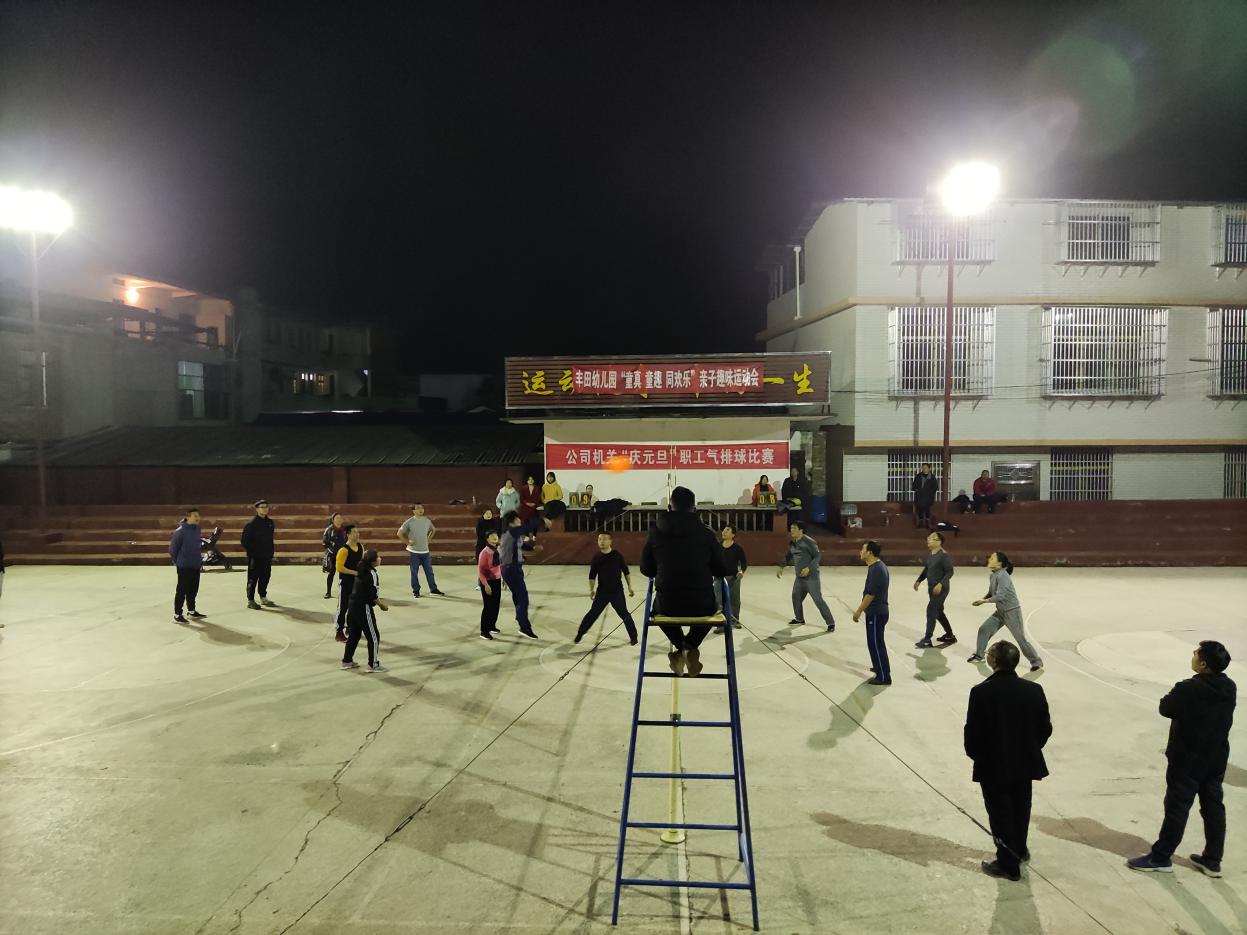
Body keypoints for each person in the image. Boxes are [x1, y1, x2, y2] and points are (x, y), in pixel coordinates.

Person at [1128, 641, 1236, 877]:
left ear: (1203, 664)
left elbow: (1165, 708)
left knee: (1177, 808)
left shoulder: (1188, 688)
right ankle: (1213, 859)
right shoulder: (1229, 686)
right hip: (1216, 758)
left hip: (1187, 760)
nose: (1193, 655)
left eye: (1196, 653)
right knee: (1213, 807)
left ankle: (1161, 856)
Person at [964, 641, 1052, 881]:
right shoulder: (1034, 690)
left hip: (993, 765)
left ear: (993, 660)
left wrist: (978, 756)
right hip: (1025, 763)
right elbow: (1045, 728)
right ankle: (1019, 850)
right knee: (1021, 809)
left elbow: (973, 734)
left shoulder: (981, 692)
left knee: (1000, 813)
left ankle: (1008, 864)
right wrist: (1029, 748)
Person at [640, 485, 729, 677]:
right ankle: (689, 647)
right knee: (712, 609)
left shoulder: (655, 532)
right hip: (701, 604)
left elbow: (646, 569)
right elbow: (722, 570)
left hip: (668, 604)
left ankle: (680, 649)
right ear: (694, 509)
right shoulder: (707, 533)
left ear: (669, 508)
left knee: (658, 609)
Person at [967, 552, 1042, 671]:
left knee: (1021, 639)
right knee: (984, 629)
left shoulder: (1003, 575)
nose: (989, 559)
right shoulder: (993, 575)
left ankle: (1036, 661)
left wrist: (985, 601)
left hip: (1012, 612)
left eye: (992, 558)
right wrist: (983, 599)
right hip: (1001, 612)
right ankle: (979, 655)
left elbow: (1000, 596)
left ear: (999, 563)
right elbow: (992, 593)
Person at [575, 532, 638, 645]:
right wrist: (591, 590)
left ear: (610, 541)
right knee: (593, 614)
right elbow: (592, 576)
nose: (602, 542)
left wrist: (630, 586)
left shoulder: (617, 555)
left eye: (604, 539)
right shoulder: (596, 558)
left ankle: (634, 637)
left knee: (624, 614)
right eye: (599, 539)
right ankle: (580, 633)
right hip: (602, 593)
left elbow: (626, 571)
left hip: (617, 592)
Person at [498, 510, 552, 638]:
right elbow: (528, 526)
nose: (520, 521)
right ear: (512, 521)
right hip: (512, 569)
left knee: (517, 595)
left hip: (512, 568)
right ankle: (524, 627)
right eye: (517, 519)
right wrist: (543, 520)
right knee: (523, 598)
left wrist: (533, 548)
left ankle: (519, 617)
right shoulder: (512, 531)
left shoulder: (511, 534)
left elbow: (521, 546)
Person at [777, 522, 836, 631]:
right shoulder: (792, 543)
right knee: (796, 597)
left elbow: (818, 556)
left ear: (801, 530)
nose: (791, 530)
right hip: (799, 578)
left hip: (811, 577)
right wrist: (781, 567)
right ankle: (799, 619)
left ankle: (831, 623)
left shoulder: (809, 541)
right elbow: (788, 555)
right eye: (791, 528)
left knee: (818, 600)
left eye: (794, 528)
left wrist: (809, 568)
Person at [341, 549, 388, 673]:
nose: (380, 558)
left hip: (352, 606)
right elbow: (372, 595)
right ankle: (373, 664)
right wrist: (381, 605)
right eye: (378, 557)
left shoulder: (361, 570)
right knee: (374, 636)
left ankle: (347, 661)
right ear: (373, 561)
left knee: (354, 634)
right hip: (363, 607)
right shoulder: (371, 573)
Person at [851, 541, 891, 685]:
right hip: (879, 611)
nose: (860, 551)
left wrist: (858, 611)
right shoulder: (877, 567)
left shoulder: (876, 570)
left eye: (863, 549)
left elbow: (870, 594)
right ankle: (880, 667)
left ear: (870, 552)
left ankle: (883, 676)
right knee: (877, 642)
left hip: (876, 612)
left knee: (875, 644)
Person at [913, 531, 956, 648]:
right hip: (932, 588)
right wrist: (919, 580)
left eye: (932, 538)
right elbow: (927, 569)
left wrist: (940, 584)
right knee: (939, 612)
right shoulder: (932, 554)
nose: (928, 540)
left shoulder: (943, 555)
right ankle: (950, 635)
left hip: (941, 589)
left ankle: (927, 639)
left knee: (931, 611)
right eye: (929, 537)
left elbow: (950, 572)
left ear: (939, 542)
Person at [169, 508, 206, 624]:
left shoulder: (197, 530)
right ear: (188, 517)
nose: (198, 518)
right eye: (195, 515)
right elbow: (173, 549)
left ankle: (191, 611)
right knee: (182, 590)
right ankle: (177, 614)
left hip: (195, 564)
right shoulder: (180, 531)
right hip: (184, 566)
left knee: (193, 589)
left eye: (198, 515)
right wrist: (178, 561)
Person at [398, 503, 443, 597]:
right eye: (418, 508)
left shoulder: (427, 520)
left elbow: (433, 530)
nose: (421, 510)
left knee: (429, 571)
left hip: (425, 551)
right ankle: (416, 590)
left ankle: (433, 589)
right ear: (413, 511)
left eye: (422, 508)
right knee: (414, 572)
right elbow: (399, 533)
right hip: (414, 551)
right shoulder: (409, 522)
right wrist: (407, 542)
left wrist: (428, 539)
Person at [240, 499, 276, 610]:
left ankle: (263, 596)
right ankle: (250, 600)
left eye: (266, 507)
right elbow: (244, 541)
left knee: (265, 576)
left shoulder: (270, 523)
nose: (265, 509)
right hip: (255, 557)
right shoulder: (251, 524)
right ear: (257, 509)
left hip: (266, 556)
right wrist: (253, 553)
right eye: (262, 507)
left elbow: (270, 540)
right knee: (253, 578)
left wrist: (270, 553)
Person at [714, 524, 747, 632]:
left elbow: (744, 563)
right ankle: (720, 624)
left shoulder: (738, 548)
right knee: (719, 602)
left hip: (733, 578)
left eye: (727, 530)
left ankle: (735, 620)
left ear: (733, 535)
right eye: (724, 530)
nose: (724, 532)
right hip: (719, 578)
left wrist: (741, 571)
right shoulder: (717, 547)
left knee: (735, 601)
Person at [333, 524, 363, 642]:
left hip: (357, 583)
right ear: (348, 535)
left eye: (358, 532)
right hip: (345, 583)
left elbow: (362, 562)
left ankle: (350, 628)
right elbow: (339, 568)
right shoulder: (343, 550)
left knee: (353, 607)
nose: (357, 534)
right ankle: (339, 632)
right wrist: (354, 573)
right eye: (354, 532)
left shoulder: (360, 547)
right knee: (342, 608)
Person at [476, 530, 503, 640]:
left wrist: (503, 578)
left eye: (496, 535)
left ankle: (492, 625)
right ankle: (484, 631)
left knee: (496, 605)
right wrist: (485, 585)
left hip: (497, 580)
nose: (495, 537)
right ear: (487, 539)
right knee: (488, 606)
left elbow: (500, 565)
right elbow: (480, 571)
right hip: (487, 582)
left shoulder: (498, 549)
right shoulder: (485, 552)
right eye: (492, 536)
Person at [321, 513, 348, 599]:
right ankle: (328, 592)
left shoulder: (345, 530)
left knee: (343, 575)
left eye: (340, 518)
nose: (339, 519)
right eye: (337, 518)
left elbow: (348, 540)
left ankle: (342, 592)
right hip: (332, 555)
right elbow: (324, 543)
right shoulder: (329, 529)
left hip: (343, 555)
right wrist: (331, 550)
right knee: (331, 574)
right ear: (333, 520)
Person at [912, 463, 939, 529]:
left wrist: (930, 493)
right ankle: (920, 523)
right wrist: (917, 489)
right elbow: (914, 486)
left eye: (926, 468)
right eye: (923, 468)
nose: (924, 469)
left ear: (929, 469)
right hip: (919, 497)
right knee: (920, 510)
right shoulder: (918, 476)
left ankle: (927, 524)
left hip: (928, 497)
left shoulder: (932, 477)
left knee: (927, 510)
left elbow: (935, 487)